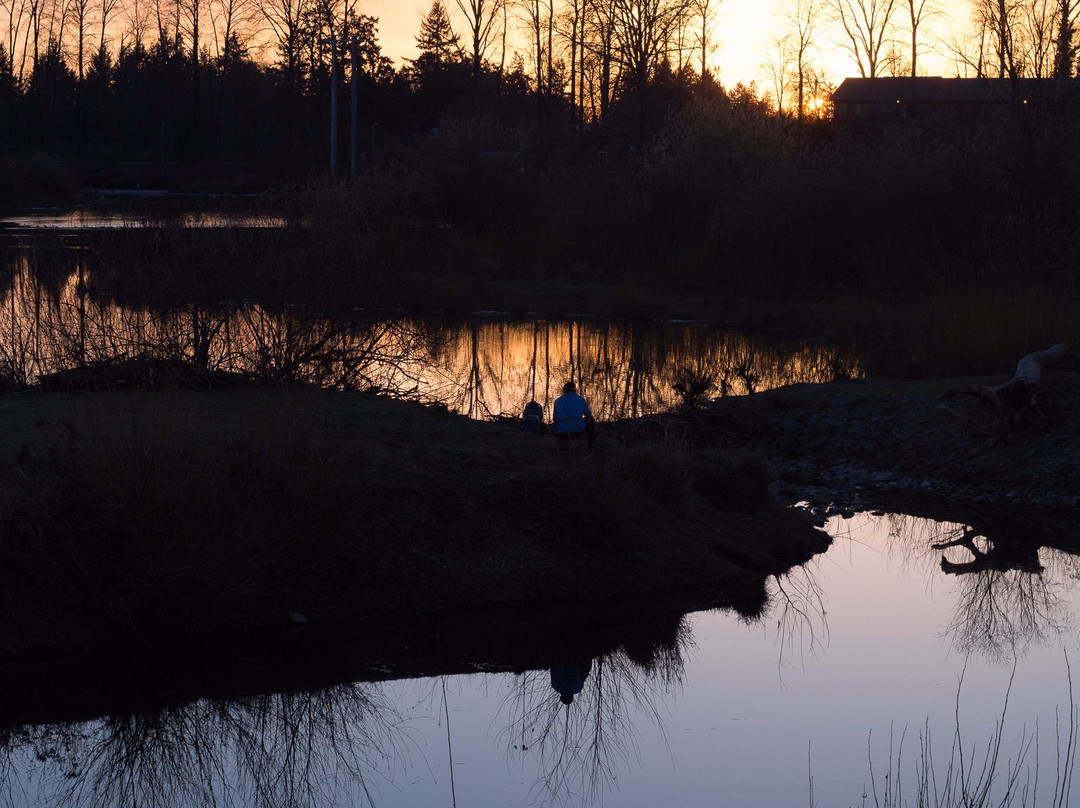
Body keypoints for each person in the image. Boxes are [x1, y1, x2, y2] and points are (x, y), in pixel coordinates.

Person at [552, 380, 595, 448]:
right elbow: (588, 413)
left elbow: (555, 418)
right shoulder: (580, 399)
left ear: (564, 390)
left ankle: (562, 442)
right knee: (590, 419)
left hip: (561, 429)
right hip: (577, 429)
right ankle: (591, 444)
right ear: (574, 389)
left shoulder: (558, 400)